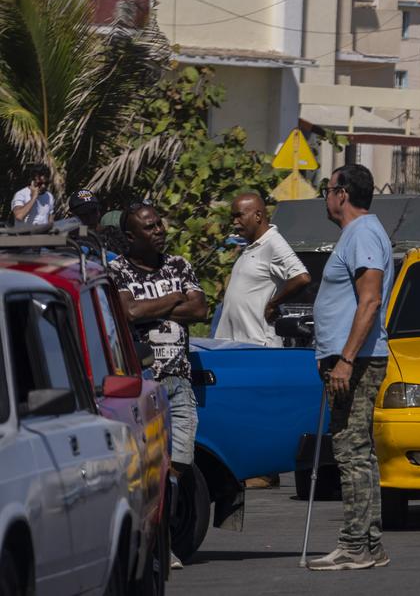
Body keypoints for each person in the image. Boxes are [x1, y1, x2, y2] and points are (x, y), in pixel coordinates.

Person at [107, 204, 207, 569]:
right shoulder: (117, 270)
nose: (160, 230)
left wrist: (150, 307)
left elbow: (199, 310)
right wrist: (174, 299)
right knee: (146, 470)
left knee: (179, 463)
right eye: (150, 227)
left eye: (160, 224)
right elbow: (128, 313)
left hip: (179, 380)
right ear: (131, 236)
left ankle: (161, 537)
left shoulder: (179, 265)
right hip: (143, 385)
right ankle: (156, 544)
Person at [307, 164, 395, 571]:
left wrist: (344, 360)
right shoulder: (358, 234)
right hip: (351, 358)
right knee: (360, 452)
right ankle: (370, 544)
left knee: (350, 451)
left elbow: (370, 299)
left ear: (342, 193)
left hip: (356, 361)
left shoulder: (362, 234)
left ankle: (355, 545)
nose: (325, 197)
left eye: (327, 189)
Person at [215, 192, 311, 346]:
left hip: (258, 345)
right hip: (236, 344)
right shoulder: (253, 246)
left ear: (258, 216)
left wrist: (273, 304)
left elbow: (302, 277)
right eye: (233, 217)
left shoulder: (273, 243)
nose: (235, 222)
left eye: (239, 216)